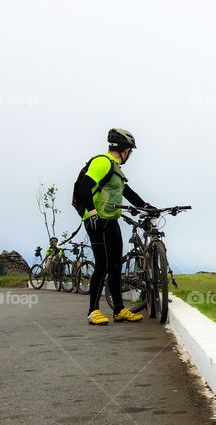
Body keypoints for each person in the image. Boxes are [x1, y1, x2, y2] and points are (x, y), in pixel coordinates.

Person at [73, 128, 153, 326]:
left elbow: (128, 193)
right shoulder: (102, 162)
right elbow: (84, 187)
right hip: (96, 220)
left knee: (116, 266)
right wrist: (91, 213)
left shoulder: (116, 169)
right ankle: (93, 311)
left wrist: (148, 207)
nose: (130, 155)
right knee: (102, 265)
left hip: (111, 219)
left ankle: (119, 310)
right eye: (130, 151)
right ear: (125, 150)